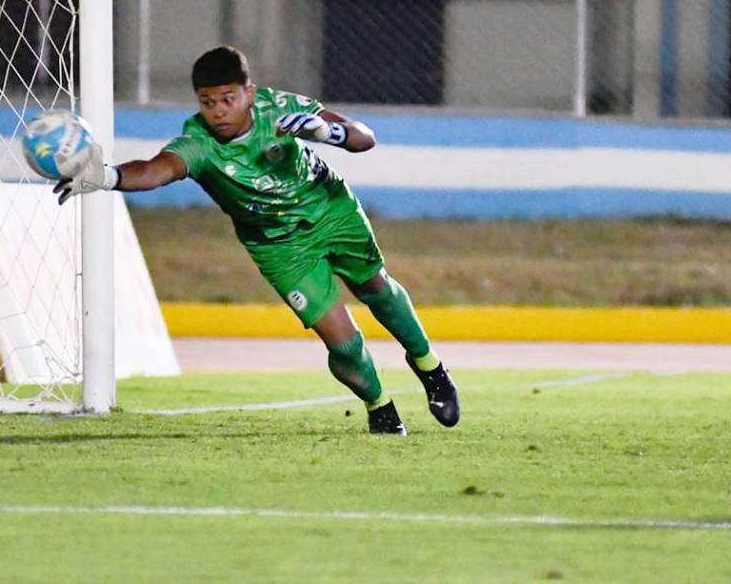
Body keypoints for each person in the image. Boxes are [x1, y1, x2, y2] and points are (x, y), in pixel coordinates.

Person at [54, 45, 458, 436]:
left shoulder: (278, 108)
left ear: (249, 93)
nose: (218, 111)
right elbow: (155, 169)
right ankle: (381, 408)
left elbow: (364, 138)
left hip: (330, 209)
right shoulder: (199, 142)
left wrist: (326, 131)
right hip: (278, 246)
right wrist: (106, 177)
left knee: (377, 290)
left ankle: (431, 369)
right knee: (345, 345)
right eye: (207, 102)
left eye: (228, 99)